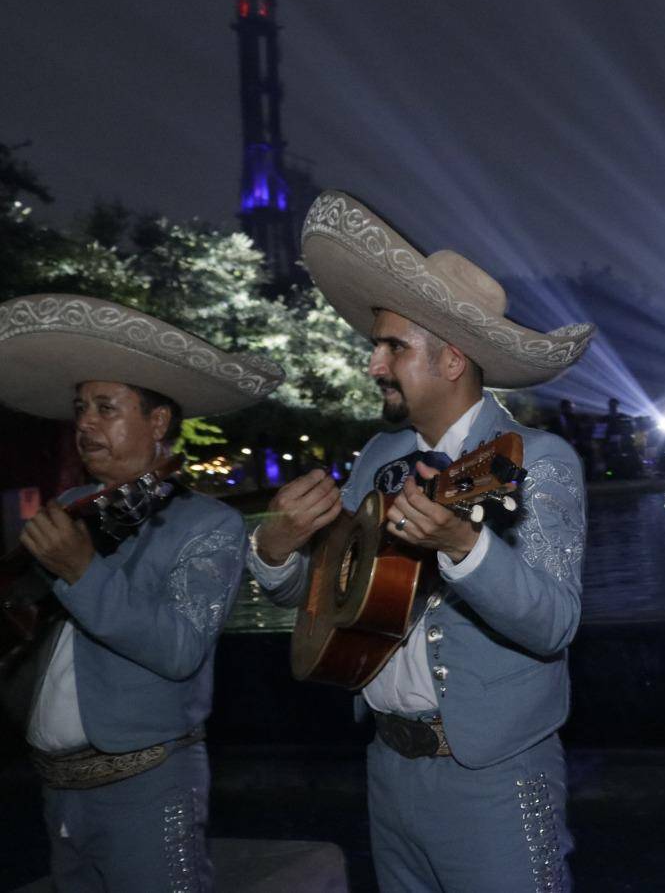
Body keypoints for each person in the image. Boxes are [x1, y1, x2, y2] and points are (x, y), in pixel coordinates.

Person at [245, 190, 595, 892]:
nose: (374, 365)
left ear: (452, 360)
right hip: (386, 769)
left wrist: (466, 547)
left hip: (492, 777)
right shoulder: (378, 454)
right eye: (377, 347)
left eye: (392, 347)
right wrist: (279, 546)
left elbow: (555, 623)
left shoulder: (536, 458)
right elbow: (324, 593)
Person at [0, 293, 282, 892]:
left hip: (147, 788)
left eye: (106, 407)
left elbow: (180, 649)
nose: (84, 423)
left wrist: (81, 571)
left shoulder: (207, 524)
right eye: (81, 408)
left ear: (157, 423)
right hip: (55, 789)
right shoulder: (71, 511)